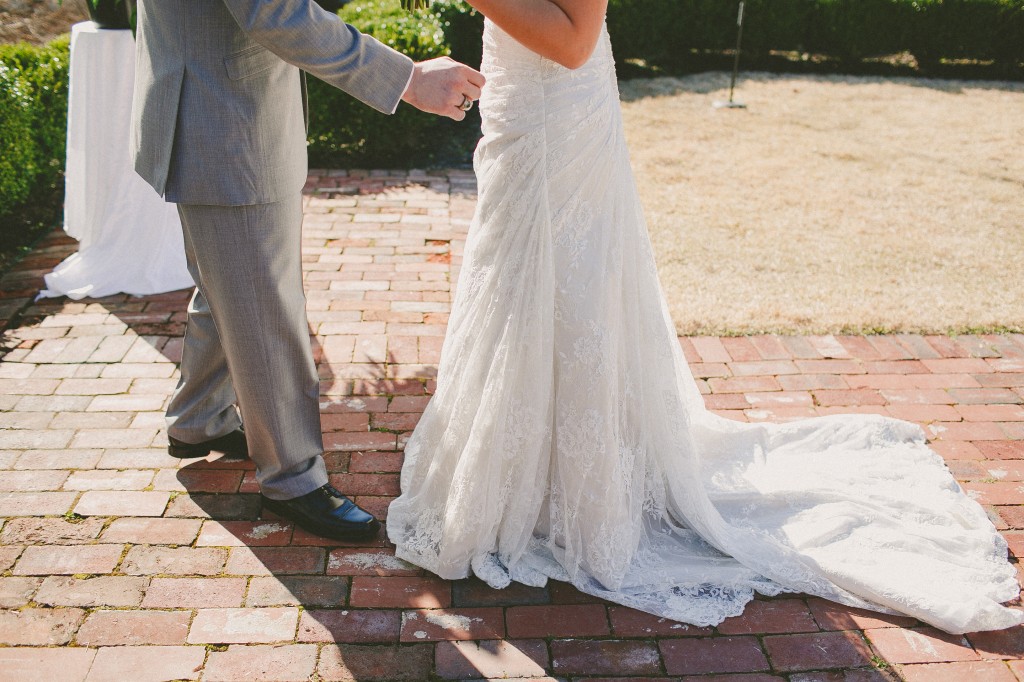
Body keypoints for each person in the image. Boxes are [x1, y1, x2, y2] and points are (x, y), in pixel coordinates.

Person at [386, 0, 1023, 634]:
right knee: (517, 279)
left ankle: (580, 493)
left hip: (560, 113)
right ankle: (520, 471)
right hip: (522, 100)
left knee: (567, 286)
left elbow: (575, 40)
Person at [130, 0, 484, 541]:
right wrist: (408, 79)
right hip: (224, 120)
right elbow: (275, 12)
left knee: (227, 284)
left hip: (213, 107)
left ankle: (199, 419)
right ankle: (292, 479)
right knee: (263, 303)